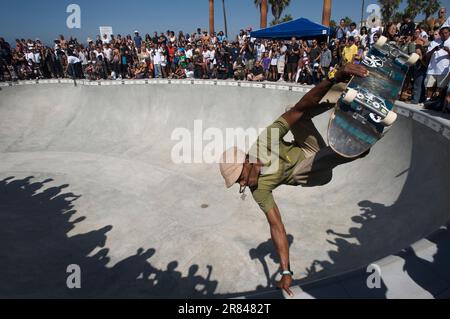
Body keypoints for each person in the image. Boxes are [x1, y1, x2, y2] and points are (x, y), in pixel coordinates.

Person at [219, 63, 370, 297]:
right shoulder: (258, 189)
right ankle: (351, 148)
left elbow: (301, 108)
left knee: (294, 109)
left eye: (240, 178)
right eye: (238, 184)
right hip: (314, 174)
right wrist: (285, 270)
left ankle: (344, 95)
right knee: (300, 170)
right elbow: (276, 225)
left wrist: (333, 78)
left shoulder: (265, 141)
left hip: (311, 148)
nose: (242, 185)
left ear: (247, 162)